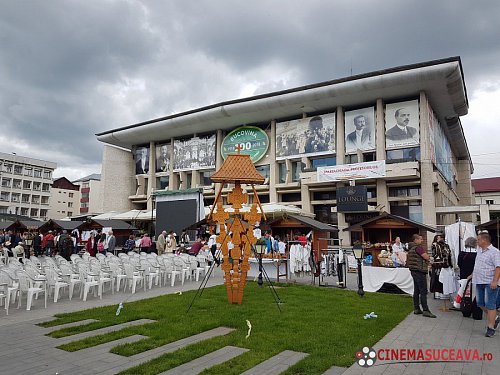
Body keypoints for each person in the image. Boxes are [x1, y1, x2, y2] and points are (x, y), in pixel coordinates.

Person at [469, 232, 500, 337]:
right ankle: (495, 318)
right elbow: (477, 264)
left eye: (478, 239)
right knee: (480, 303)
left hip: (490, 282)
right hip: (479, 281)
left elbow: (498, 267)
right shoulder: (479, 251)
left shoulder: (495, 252)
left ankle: (490, 328)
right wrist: (472, 275)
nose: (477, 241)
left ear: (484, 240)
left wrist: (495, 281)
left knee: (490, 305)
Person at [407, 233, 436, 318]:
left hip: (414, 271)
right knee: (423, 291)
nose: (422, 240)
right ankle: (426, 310)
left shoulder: (411, 248)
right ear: (416, 240)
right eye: (420, 239)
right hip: (420, 271)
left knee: (416, 290)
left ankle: (416, 308)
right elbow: (426, 257)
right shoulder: (418, 248)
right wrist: (430, 259)